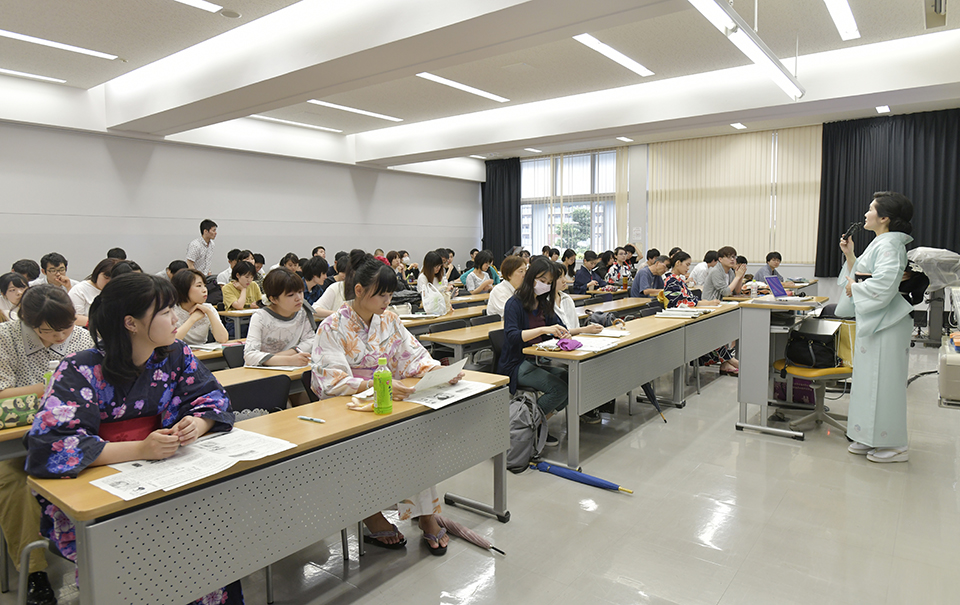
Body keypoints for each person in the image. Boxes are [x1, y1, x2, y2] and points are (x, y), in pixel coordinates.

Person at [23, 273, 240, 604]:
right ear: (131, 323)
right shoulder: (79, 370)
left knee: (212, 532)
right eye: (165, 311)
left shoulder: (176, 354)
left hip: (170, 475)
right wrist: (141, 448)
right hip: (101, 490)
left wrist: (197, 424)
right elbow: (50, 446)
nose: (175, 319)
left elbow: (213, 399)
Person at [311, 250, 461, 555]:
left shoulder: (389, 320)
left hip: (388, 402)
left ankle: (426, 516)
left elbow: (413, 356)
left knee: (417, 441)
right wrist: (376, 383)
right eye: (382, 295)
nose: (387, 301)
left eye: (390, 295)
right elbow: (332, 381)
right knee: (382, 449)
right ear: (358, 291)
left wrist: (438, 372)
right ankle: (370, 512)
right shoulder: (331, 327)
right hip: (349, 409)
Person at [0, 285, 95, 605]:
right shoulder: (6, 337)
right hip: (19, 437)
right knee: (16, 480)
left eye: (65, 327)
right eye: (48, 331)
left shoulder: (80, 336)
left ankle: (96, 556)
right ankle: (34, 572)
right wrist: (49, 385)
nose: (60, 336)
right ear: (27, 321)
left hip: (71, 434)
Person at [838, 192, 915, 463]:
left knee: (885, 384)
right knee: (869, 382)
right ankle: (869, 436)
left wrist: (854, 287)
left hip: (888, 323)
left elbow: (884, 285)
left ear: (885, 218)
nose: (866, 214)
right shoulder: (881, 242)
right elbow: (859, 273)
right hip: (878, 322)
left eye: (871, 209)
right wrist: (850, 254)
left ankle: (894, 444)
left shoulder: (890, 244)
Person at [499, 257, 572, 446]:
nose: (545, 286)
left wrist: (563, 334)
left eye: (549, 283)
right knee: (559, 389)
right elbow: (513, 336)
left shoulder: (543, 304)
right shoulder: (514, 303)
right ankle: (528, 425)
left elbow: (560, 326)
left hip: (538, 361)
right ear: (531, 278)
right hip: (518, 363)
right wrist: (542, 330)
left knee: (571, 381)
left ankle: (538, 422)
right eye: (542, 281)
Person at [661, 251, 738, 374]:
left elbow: (690, 299)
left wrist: (705, 303)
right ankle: (729, 360)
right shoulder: (671, 280)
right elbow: (679, 302)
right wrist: (706, 303)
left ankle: (727, 361)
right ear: (677, 263)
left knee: (714, 331)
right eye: (687, 264)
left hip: (687, 316)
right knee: (710, 332)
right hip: (677, 320)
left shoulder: (679, 280)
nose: (688, 268)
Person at [243, 268, 315, 367]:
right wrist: (288, 360)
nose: (298, 298)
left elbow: (311, 341)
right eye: (290, 295)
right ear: (273, 299)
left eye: (300, 292)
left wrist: (287, 354)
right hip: (263, 373)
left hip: (293, 369)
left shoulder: (302, 311)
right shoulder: (260, 317)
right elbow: (250, 356)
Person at [172, 268, 229, 345]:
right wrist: (192, 319)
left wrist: (209, 312)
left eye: (204, 286)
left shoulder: (207, 308)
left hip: (201, 354)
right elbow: (171, 341)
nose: (205, 290)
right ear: (183, 289)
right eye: (199, 286)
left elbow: (223, 339)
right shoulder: (171, 310)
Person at [68, 258, 119, 326]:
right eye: (106, 277)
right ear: (97, 273)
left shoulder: (116, 291)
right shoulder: (80, 289)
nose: (109, 282)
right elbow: (74, 318)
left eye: (114, 279)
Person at [418, 251, 455, 315]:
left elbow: (444, 289)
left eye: (440, 266)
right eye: (436, 266)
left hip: (442, 308)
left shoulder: (439, 276)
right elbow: (425, 298)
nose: (438, 268)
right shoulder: (423, 278)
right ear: (429, 266)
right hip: (431, 310)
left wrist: (449, 292)